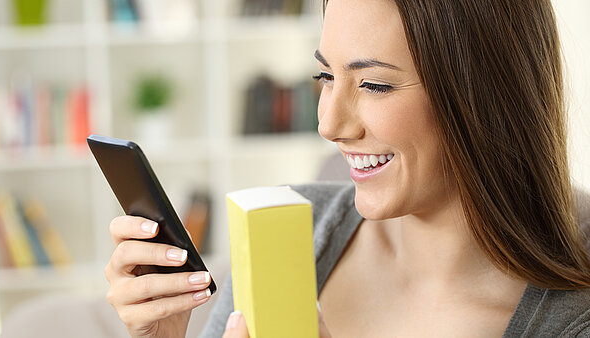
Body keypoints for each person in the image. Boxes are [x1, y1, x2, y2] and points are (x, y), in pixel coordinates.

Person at [105, 0, 590, 337]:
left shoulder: (568, 321)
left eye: (375, 85)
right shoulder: (293, 226)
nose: (329, 123)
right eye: (326, 76)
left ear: (485, 95)